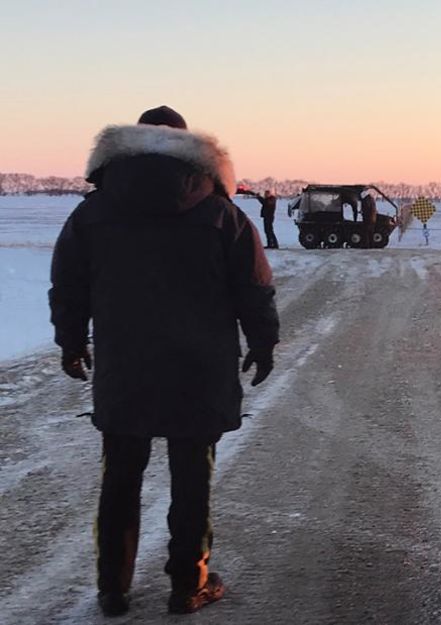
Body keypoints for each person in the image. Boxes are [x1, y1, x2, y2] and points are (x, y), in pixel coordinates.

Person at [48, 106, 280, 617]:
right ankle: (187, 583)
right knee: (192, 475)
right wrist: (263, 343)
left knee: (121, 475)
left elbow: (68, 282)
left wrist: (70, 340)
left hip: (125, 366)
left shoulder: (93, 211)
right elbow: (254, 287)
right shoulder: (222, 213)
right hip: (199, 367)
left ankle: (113, 587)